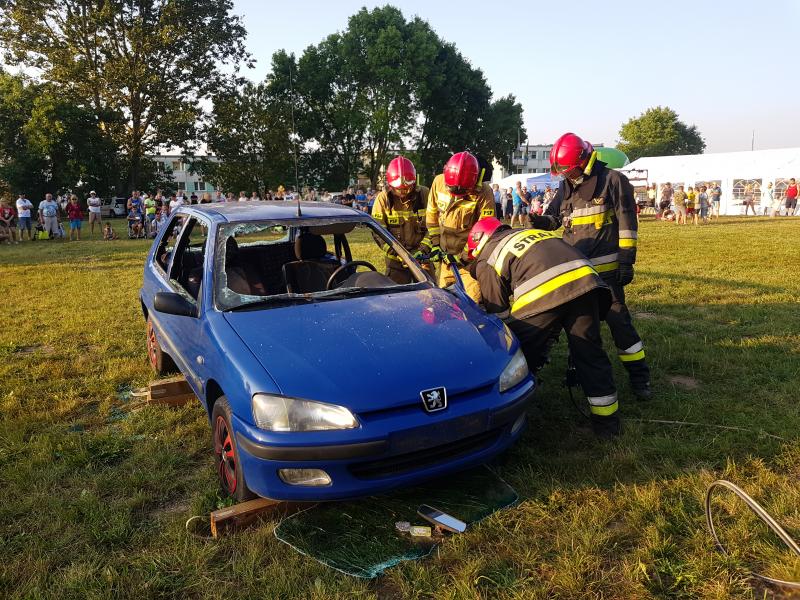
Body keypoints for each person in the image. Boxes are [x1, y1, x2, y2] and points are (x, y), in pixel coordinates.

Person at [466, 217, 620, 437]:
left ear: (477, 243)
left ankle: (513, 413)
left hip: (544, 292)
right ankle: (607, 425)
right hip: (587, 283)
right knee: (590, 352)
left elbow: (498, 316)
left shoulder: (486, 258)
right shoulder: (526, 233)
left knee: (516, 354)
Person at [533, 132, 651, 398]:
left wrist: (626, 261)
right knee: (582, 327)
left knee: (620, 324)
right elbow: (555, 218)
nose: (567, 175)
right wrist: (542, 222)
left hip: (607, 273)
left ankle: (639, 377)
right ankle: (578, 371)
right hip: (577, 273)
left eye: (570, 170)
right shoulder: (566, 185)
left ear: (584, 161)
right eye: (562, 171)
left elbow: (628, 225)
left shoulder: (613, 181)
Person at [426, 151, 495, 303]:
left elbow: (484, 230)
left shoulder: (484, 192)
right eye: (451, 189)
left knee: (473, 303)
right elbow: (432, 216)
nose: (455, 194)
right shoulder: (438, 182)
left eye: (462, 191)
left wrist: (462, 258)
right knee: (444, 302)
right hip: (446, 260)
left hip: (470, 263)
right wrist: (436, 244)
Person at [371, 156, 432, 284]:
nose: (403, 192)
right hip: (396, 262)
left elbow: (434, 226)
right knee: (396, 299)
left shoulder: (425, 194)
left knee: (430, 296)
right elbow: (378, 233)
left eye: (407, 188)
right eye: (399, 189)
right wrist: (401, 255)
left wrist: (421, 251)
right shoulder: (383, 200)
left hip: (422, 259)